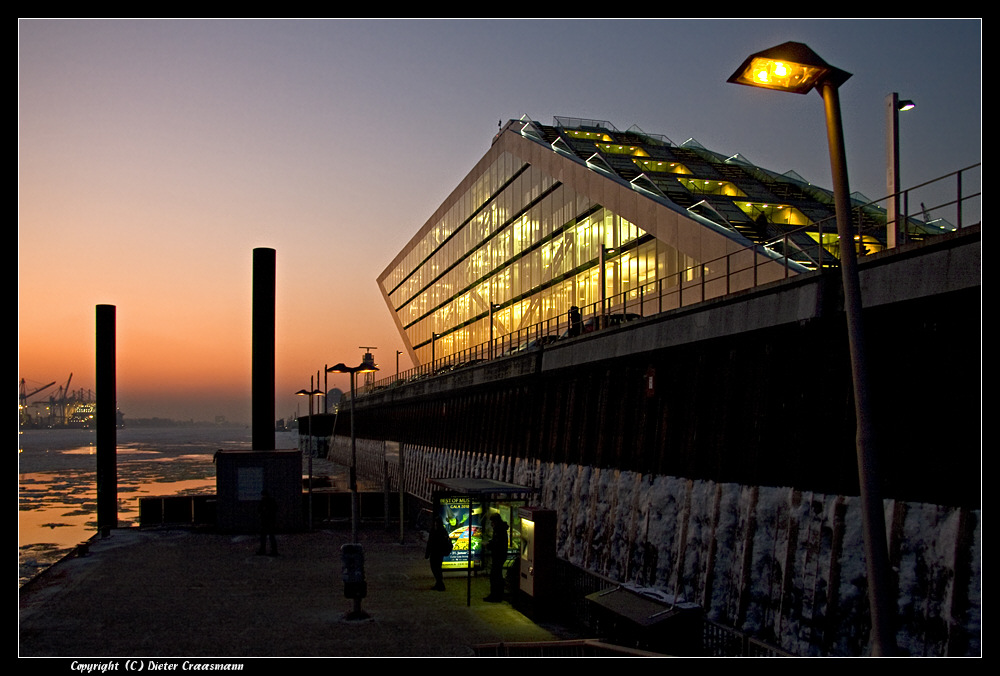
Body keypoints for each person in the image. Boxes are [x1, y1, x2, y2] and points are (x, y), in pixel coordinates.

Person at [483, 513, 509, 602]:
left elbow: (497, 544)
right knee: (497, 575)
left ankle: (495, 595)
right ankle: (497, 595)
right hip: (500, 555)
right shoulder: (501, 529)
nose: (491, 524)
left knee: (495, 576)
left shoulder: (499, 530)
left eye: (492, 522)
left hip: (498, 555)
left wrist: (489, 545)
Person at [425, 518, 452, 591]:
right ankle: (439, 583)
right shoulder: (443, 531)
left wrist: (427, 553)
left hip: (436, 552)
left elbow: (430, 542)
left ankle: (440, 583)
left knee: (435, 568)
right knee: (437, 568)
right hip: (439, 553)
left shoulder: (435, 531)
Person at [258, 489, 278, 556]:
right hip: (269, 521)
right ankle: (273, 551)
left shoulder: (264, 502)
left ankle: (264, 550)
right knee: (270, 536)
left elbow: (260, 511)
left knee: (265, 536)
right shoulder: (271, 501)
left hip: (266, 521)